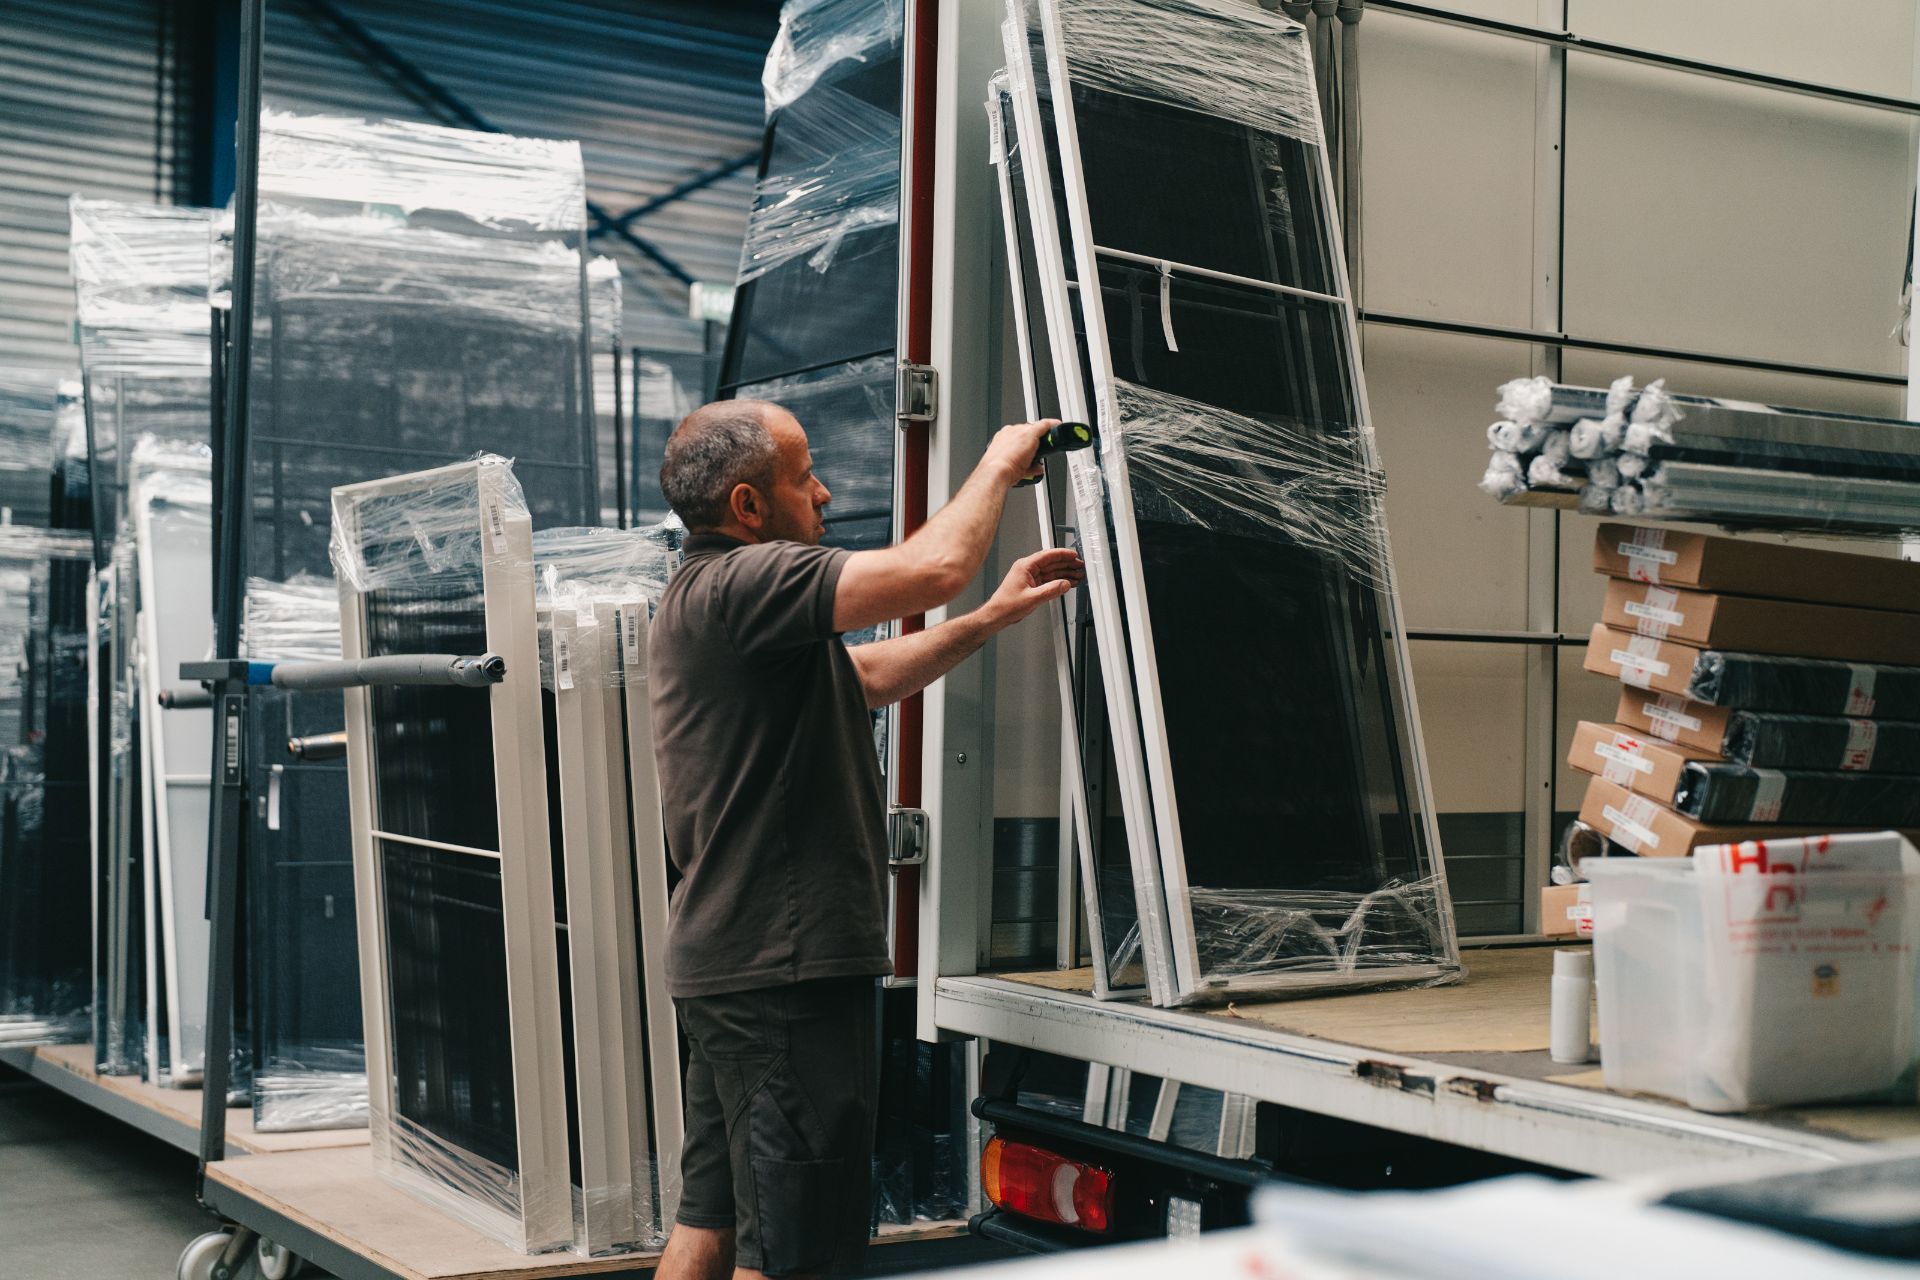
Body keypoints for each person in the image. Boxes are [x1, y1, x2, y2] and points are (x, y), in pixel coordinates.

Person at [649, 399, 1083, 1280]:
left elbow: (866, 675)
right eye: (803, 476)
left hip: (736, 972)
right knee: (791, 1256)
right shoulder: (748, 582)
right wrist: (1001, 461)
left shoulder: (717, 604)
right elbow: (933, 568)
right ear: (748, 508)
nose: (825, 492)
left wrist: (993, 618)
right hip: (786, 974)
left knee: (711, 1226)